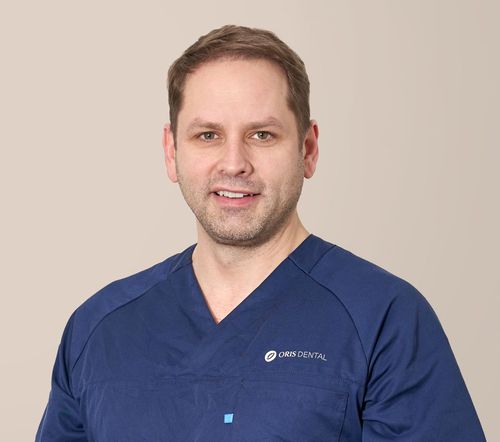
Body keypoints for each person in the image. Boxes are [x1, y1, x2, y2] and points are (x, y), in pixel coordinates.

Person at [36, 25, 486, 441]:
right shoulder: (99, 329)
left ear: (307, 149)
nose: (234, 163)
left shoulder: (383, 318)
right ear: (172, 152)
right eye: (208, 135)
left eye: (262, 135)